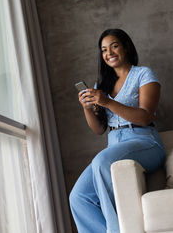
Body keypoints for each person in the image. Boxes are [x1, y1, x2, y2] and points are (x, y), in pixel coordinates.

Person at [69, 28, 166, 233]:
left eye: (114, 46)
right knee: (79, 197)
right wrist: (87, 108)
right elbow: (99, 129)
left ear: (126, 47)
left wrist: (107, 102)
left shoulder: (143, 74)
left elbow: (145, 116)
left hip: (144, 141)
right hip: (114, 143)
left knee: (102, 161)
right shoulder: (102, 85)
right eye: (104, 49)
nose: (109, 53)